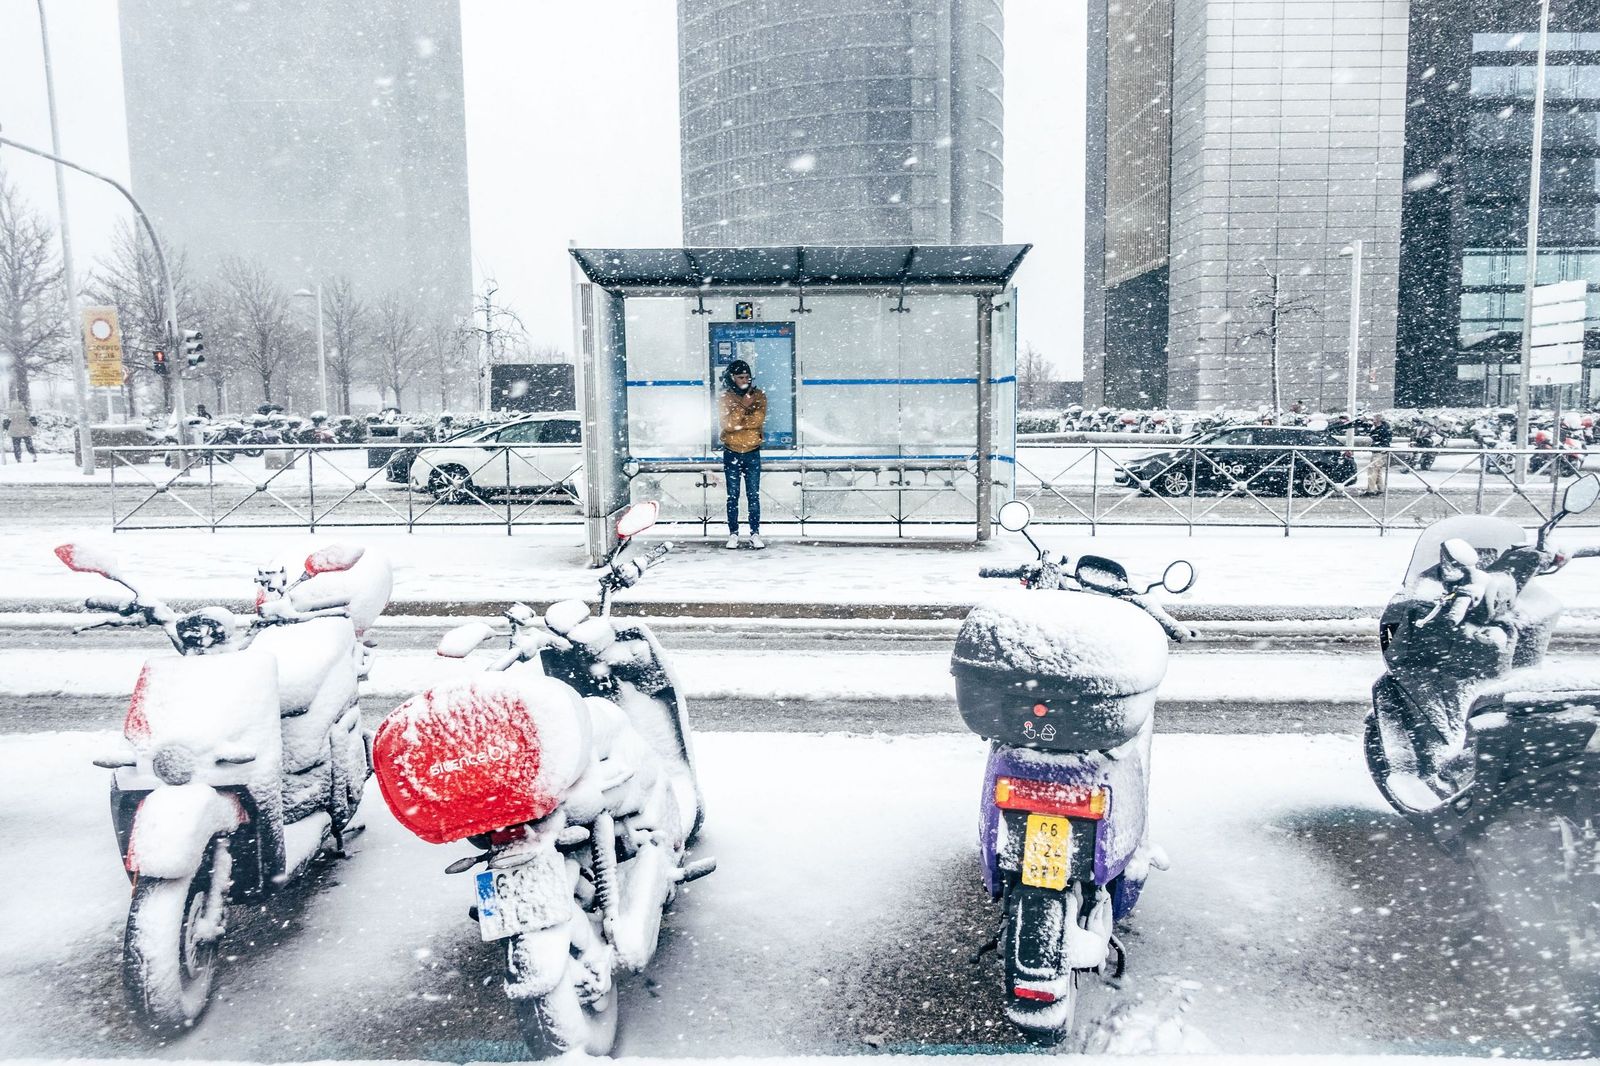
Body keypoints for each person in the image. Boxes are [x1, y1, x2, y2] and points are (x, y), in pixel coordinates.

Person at [719, 358, 766, 550]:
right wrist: (745, 406)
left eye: (747, 377)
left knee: (753, 495)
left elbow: (757, 420)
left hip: (752, 451)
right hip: (732, 452)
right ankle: (733, 534)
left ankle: (755, 533)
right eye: (741, 377)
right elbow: (727, 425)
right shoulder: (725, 399)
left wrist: (738, 417)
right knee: (733, 495)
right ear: (732, 378)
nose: (745, 380)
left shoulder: (759, 396)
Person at [1365, 411, 1393, 495]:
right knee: (1378, 470)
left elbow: (1377, 438)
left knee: (1372, 470)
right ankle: (1381, 488)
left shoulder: (1380, 429)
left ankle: (1371, 490)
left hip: (1379, 451)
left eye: (1374, 419)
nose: (1372, 420)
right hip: (1381, 451)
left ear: (1378, 420)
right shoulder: (1384, 428)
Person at [4, 397, 38, 462]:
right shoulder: (24, 412)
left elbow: (6, 421)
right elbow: (31, 417)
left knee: (16, 446)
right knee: (29, 444)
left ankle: (18, 459)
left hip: (15, 432)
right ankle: (34, 456)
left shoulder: (11, 413)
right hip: (26, 431)